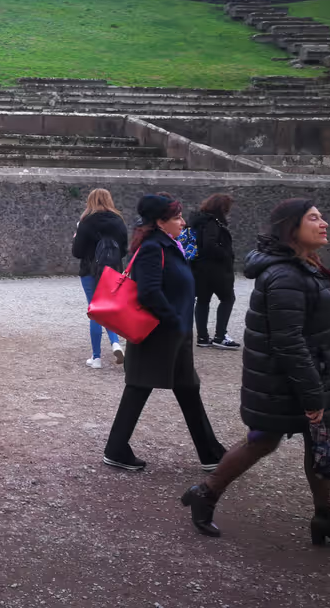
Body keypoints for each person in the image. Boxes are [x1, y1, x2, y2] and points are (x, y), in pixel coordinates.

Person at [181, 199, 330, 549]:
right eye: (314, 218)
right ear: (291, 229)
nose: (324, 223)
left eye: (322, 216)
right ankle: (204, 493)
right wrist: (313, 394)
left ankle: (327, 516)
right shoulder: (285, 275)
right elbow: (288, 342)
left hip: (307, 373)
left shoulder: (304, 266)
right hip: (284, 381)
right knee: (263, 440)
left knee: (318, 442)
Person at [103, 194, 225, 472]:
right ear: (160, 222)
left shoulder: (168, 244)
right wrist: (174, 322)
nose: (183, 222)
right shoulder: (152, 247)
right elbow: (148, 293)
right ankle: (116, 449)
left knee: (187, 389)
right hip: (159, 333)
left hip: (173, 333)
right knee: (139, 387)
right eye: (177, 218)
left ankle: (210, 452)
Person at [72, 189, 128, 368]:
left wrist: (76, 238)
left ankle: (96, 358)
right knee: (108, 309)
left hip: (90, 270)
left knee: (95, 312)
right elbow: (124, 249)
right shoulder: (119, 221)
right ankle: (115, 342)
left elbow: (77, 252)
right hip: (113, 271)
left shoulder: (86, 222)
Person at [188, 194, 238, 349]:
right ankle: (220, 335)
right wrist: (226, 255)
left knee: (203, 301)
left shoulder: (198, 221)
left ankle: (202, 337)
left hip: (199, 268)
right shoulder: (212, 223)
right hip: (216, 270)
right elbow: (210, 245)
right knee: (228, 299)